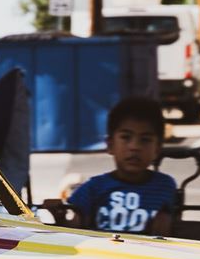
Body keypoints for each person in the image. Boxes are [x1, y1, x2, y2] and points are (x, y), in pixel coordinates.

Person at [64, 96, 179, 237]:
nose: (135, 147)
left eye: (145, 140)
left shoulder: (164, 186)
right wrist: (57, 215)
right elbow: (73, 230)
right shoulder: (93, 188)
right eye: (126, 137)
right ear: (110, 145)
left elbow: (167, 232)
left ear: (157, 149)